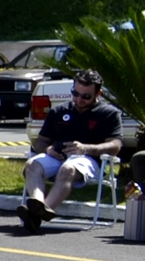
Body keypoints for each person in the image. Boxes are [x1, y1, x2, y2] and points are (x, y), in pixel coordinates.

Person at [19, 69, 122, 230]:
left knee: (68, 168)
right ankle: (38, 204)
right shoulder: (58, 111)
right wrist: (48, 149)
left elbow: (115, 145)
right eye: (75, 93)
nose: (79, 99)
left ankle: (39, 213)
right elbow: (40, 141)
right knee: (32, 164)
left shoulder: (109, 114)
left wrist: (85, 148)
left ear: (98, 94)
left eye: (86, 96)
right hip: (57, 156)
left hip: (88, 160)